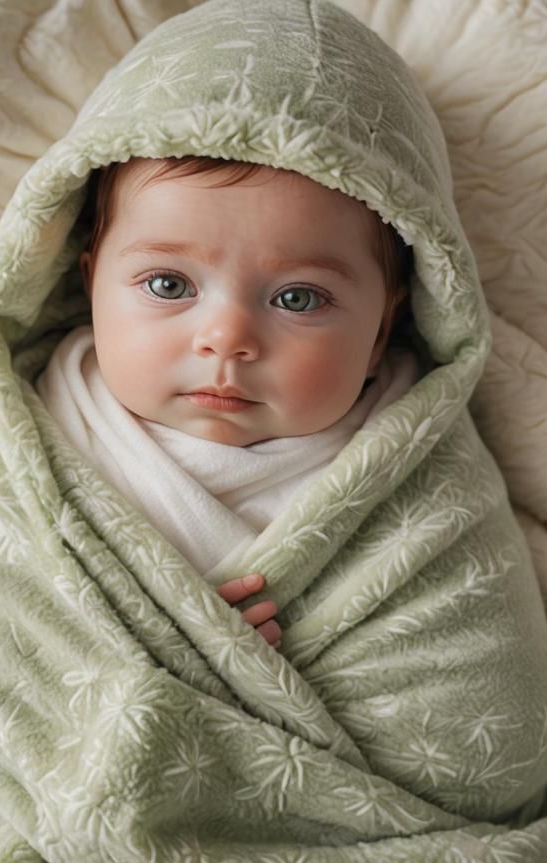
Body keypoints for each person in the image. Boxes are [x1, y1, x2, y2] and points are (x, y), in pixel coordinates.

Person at [37, 156, 420, 646]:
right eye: (168, 285)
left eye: (297, 298)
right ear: (92, 289)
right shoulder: (33, 435)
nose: (226, 337)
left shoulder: (410, 466)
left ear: (380, 333)